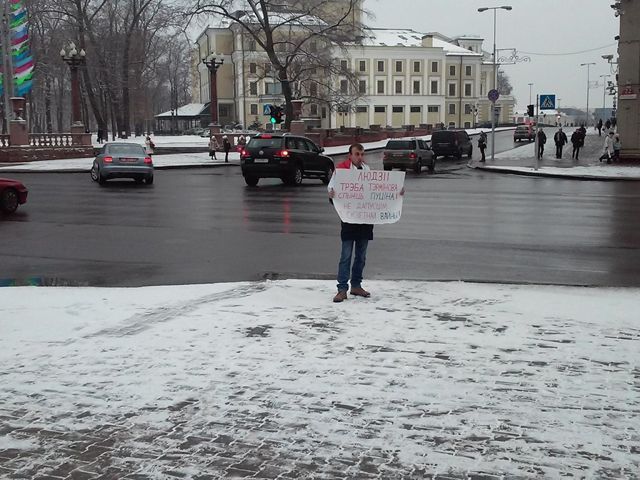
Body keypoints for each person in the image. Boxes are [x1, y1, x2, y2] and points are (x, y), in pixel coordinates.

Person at [327, 143, 404, 303]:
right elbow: (333, 193)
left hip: (365, 221)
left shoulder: (367, 171)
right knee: (346, 256)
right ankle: (342, 289)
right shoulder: (341, 171)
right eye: (357, 154)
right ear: (350, 155)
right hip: (349, 221)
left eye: (362, 154)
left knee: (361, 256)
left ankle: (356, 285)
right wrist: (332, 194)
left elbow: (380, 191)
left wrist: (397, 192)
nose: (360, 157)